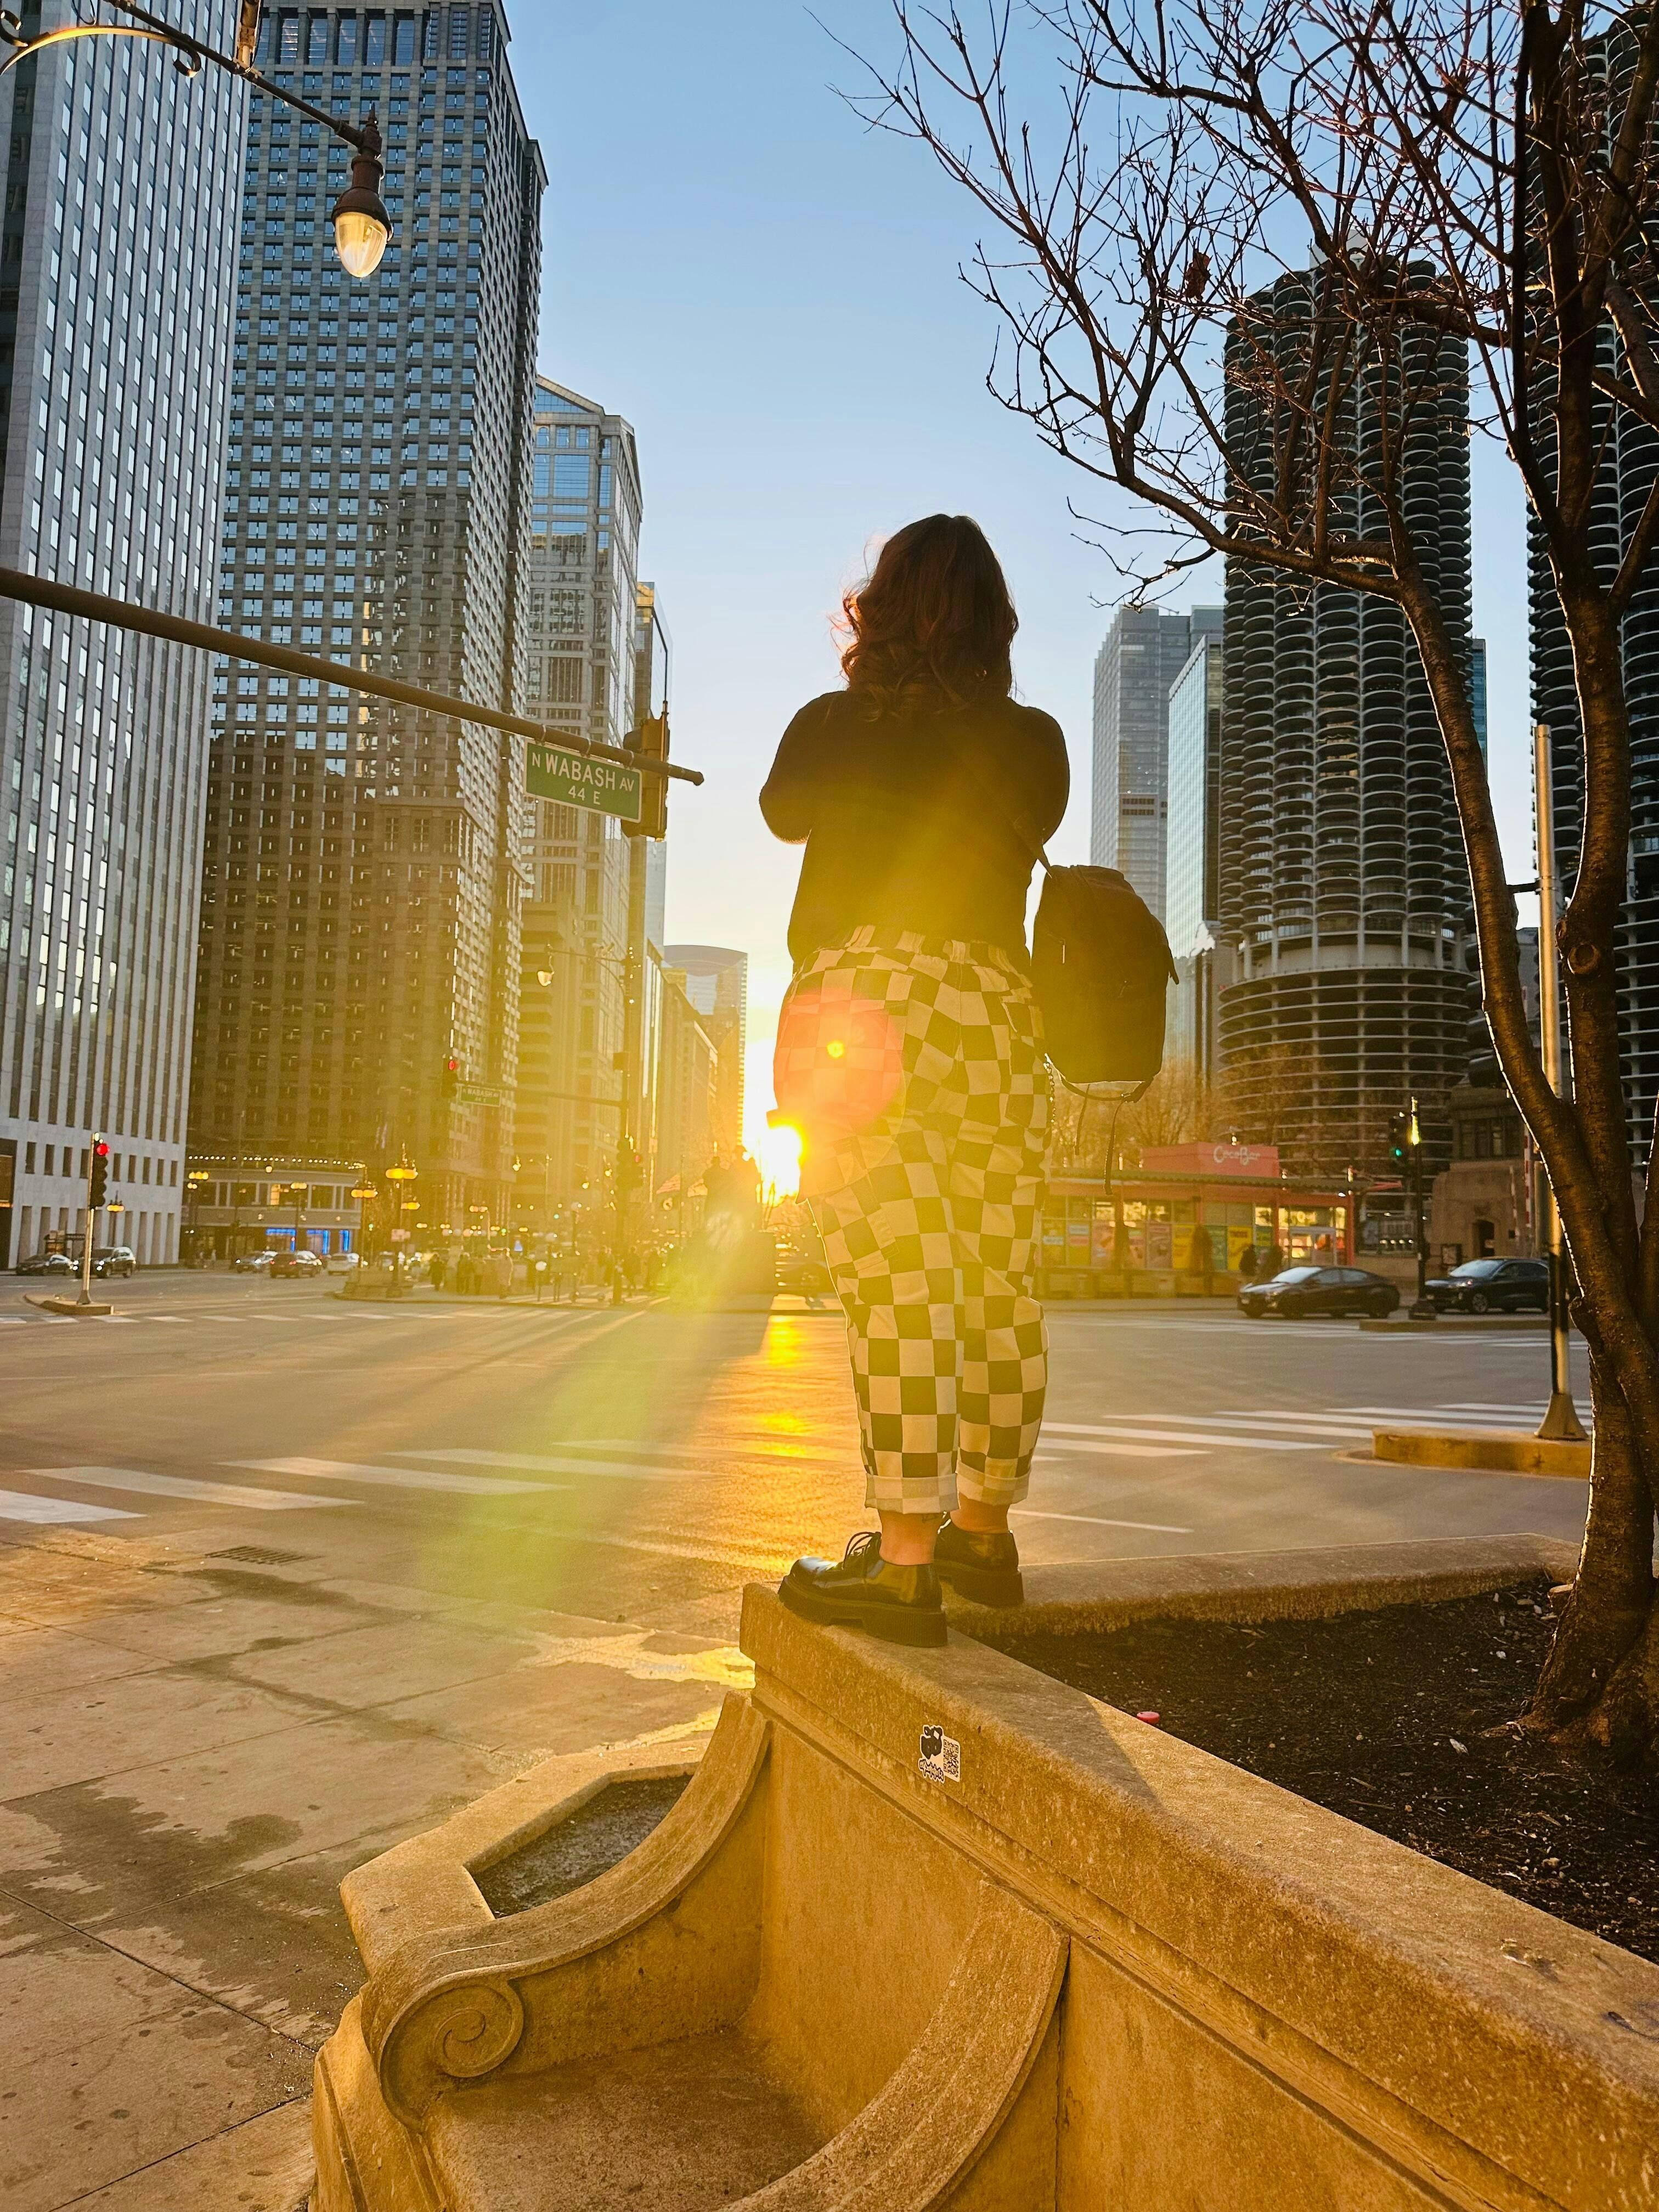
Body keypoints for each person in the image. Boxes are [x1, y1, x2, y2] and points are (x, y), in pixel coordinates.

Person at [761, 514, 1068, 1646]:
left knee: (898, 1279)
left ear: (878, 611)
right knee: (996, 1277)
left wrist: (869, 706)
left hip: (864, 1007)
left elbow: (781, 812)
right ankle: (983, 1535)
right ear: (995, 622)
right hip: (993, 1010)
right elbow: (1032, 820)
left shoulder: (835, 724)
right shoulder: (1033, 742)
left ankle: (903, 1565)